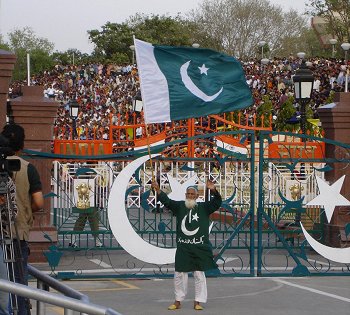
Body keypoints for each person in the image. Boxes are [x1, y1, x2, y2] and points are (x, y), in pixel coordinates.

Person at [151, 179, 222, 311]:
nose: (190, 196)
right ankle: (178, 301)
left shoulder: (204, 208)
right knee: (179, 274)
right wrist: (158, 190)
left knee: (199, 275)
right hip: (184, 247)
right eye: (188, 194)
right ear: (185, 195)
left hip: (199, 247)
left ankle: (198, 302)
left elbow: (217, 202)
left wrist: (213, 190)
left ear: (197, 196)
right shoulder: (179, 207)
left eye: (192, 194)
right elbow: (167, 201)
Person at [1, 123, 44, 315]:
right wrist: (26, 212)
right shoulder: (28, 168)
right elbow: (38, 202)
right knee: (19, 283)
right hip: (18, 232)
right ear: (22, 145)